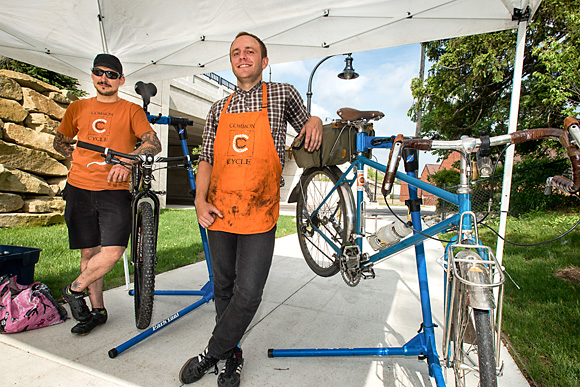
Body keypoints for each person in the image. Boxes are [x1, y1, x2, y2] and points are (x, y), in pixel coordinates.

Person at [179, 32, 322, 387]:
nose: (242, 57)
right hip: (221, 210)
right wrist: (200, 199)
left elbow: (307, 127)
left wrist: (315, 120)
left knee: (249, 292)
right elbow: (207, 157)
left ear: (264, 60)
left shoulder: (282, 94)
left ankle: (212, 352)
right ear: (231, 61)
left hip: (260, 211)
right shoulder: (219, 108)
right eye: (236, 53)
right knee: (224, 286)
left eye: (250, 51)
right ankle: (232, 356)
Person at [53, 53, 161, 335]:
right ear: (92, 75)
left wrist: (128, 160)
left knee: (112, 251)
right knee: (89, 251)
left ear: (120, 80)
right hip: (78, 188)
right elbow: (60, 140)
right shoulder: (77, 107)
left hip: (113, 191)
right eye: (99, 72)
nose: (104, 78)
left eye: (111, 74)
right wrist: (74, 157)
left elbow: (153, 143)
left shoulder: (131, 110)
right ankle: (97, 311)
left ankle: (73, 289)